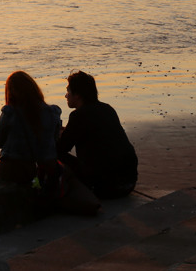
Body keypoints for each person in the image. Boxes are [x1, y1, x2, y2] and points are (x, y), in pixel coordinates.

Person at [58, 70, 138, 199]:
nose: (66, 96)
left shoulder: (78, 115)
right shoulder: (107, 108)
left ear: (77, 95)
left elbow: (61, 148)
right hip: (129, 183)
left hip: (105, 188)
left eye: (68, 91)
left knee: (53, 153)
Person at [0, 70, 62, 185]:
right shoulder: (52, 113)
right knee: (35, 186)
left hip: (11, 170)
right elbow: (53, 141)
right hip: (37, 170)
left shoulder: (10, 113)